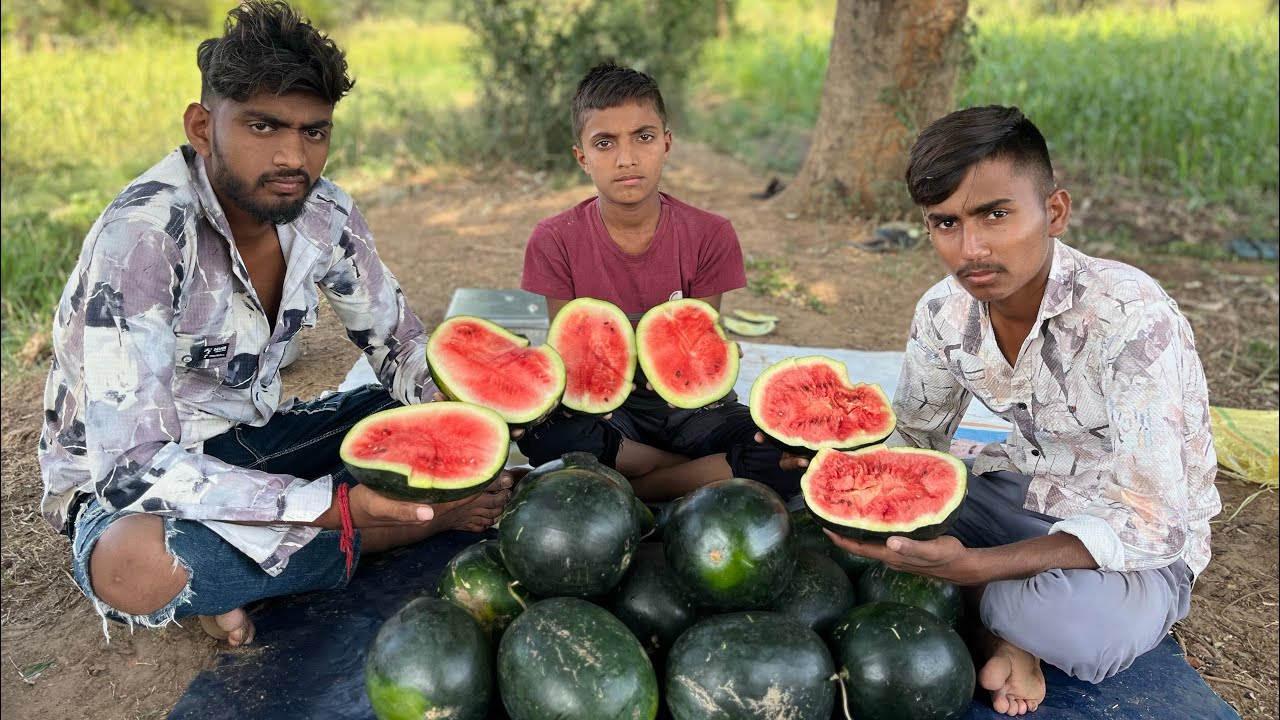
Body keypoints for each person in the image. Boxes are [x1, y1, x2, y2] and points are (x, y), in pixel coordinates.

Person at [38, 0, 515, 648]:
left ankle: (254, 572)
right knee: (134, 568)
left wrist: (471, 423)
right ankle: (398, 527)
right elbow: (134, 465)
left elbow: (400, 346)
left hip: (251, 443)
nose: (293, 156)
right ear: (202, 126)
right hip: (121, 491)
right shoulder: (144, 237)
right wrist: (333, 507)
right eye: (263, 126)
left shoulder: (325, 214)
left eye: (314, 132)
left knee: (418, 410)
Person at [815, 106, 1221, 715]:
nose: (971, 248)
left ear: (1054, 212)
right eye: (946, 223)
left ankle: (995, 621)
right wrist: (839, 459)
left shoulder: (1132, 318)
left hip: (1133, 544)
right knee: (841, 522)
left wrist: (974, 568)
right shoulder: (942, 314)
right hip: (1018, 493)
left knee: (1085, 630)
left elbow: (1152, 522)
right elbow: (916, 441)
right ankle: (1003, 624)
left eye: (995, 215)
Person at [517, 62, 801, 502]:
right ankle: (695, 473)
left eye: (643, 137)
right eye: (605, 143)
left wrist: (712, 355)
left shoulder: (710, 233)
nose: (627, 158)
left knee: (784, 454)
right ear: (582, 157)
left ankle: (632, 487)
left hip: (693, 411)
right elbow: (571, 355)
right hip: (609, 416)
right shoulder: (554, 239)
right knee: (542, 434)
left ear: (666, 143)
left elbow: (696, 339)